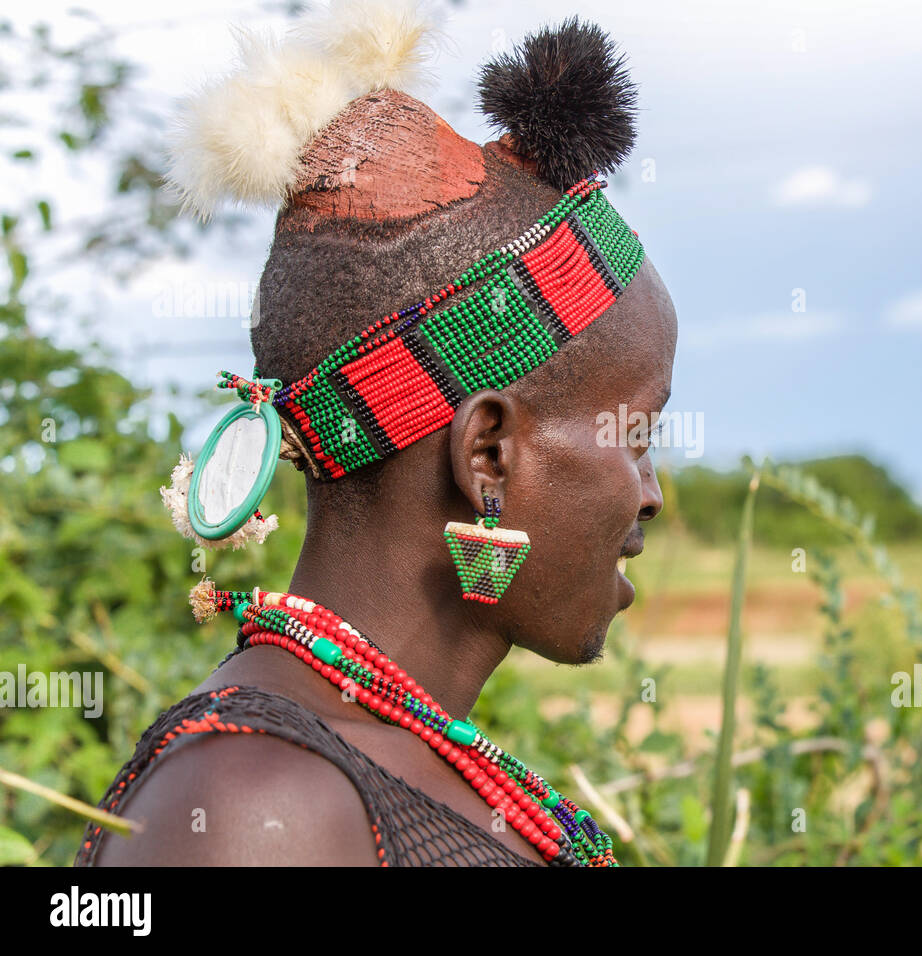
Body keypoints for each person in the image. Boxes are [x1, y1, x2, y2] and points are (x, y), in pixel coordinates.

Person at [76, 3, 676, 867]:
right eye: (636, 431)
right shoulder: (257, 808)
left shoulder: (406, 769)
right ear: (488, 456)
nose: (651, 495)